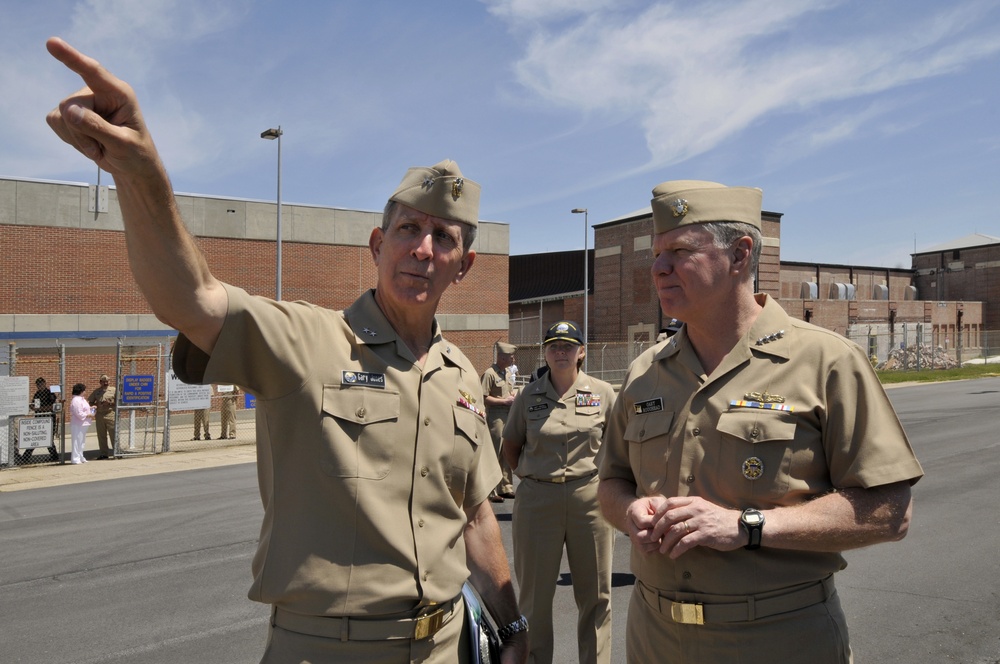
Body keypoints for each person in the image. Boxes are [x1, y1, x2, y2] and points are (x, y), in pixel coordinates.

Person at [45, 37, 527, 664]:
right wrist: (142, 175)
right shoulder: (306, 339)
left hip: (444, 647)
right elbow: (192, 298)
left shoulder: (461, 376)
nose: (423, 249)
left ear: (464, 266)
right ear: (377, 243)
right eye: (408, 229)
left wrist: (513, 630)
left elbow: (474, 516)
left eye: (443, 237)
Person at [597, 180, 924, 663]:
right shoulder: (646, 372)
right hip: (654, 636)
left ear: (740, 254)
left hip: (777, 638)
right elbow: (611, 482)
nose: (658, 268)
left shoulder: (826, 361)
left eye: (680, 250)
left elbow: (891, 510)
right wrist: (628, 512)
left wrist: (747, 525)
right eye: (657, 253)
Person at [502, 321, 616, 664]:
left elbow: (617, 446)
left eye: (568, 346)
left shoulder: (604, 392)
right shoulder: (528, 396)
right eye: (554, 346)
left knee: (596, 597)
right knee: (534, 599)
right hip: (538, 501)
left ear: (582, 352)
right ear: (546, 354)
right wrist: (528, 474)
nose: (561, 351)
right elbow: (511, 445)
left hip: (590, 500)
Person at [481, 341, 518, 502]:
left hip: (508, 415)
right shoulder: (490, 374)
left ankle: (505, 487)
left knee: (506, 452)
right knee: (494, 453)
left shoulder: (507, 374)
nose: (513, 360)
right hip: (496, 417)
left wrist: (514, 396)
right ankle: (490, 491)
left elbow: (508, 391)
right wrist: (504, 402)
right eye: (511, 357)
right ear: (502, 357)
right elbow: (483, 397)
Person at [24, 376, 59, 462]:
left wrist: (39, 409)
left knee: (48, 438)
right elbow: (36, 405)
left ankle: (54, 456)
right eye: (38, 384)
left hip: (49, 418)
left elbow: (52, 407)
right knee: (36, 437)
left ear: (44, 384)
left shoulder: (50, 393)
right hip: (39, 418)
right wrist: (32, 406)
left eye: (41, 384)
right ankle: (25, 457)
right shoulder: (37, 394)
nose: (39, 386)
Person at [88, 374, 116, 458]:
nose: (106, 383)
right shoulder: (97, 392)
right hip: (99, 415)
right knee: (101, 435)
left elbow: (120, 402)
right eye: (104, 381)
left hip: (110, 414)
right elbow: (90, 402)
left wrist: (110, 403)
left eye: (107, 381)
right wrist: (94, 410)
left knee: (113, 434)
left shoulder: (114, 390)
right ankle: (103, 453)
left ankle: (116, 452)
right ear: (100, 382)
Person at [68, 382, 93, 464]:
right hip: (77, 423)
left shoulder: (82, 399)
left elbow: (84, 408)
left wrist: (91, 408)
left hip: (84, 423)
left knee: (81, 441)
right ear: (81, 391)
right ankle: (75, 458)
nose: (85, 392)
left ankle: (80, 456)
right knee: (76, 441)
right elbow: (78, 412)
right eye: (84, 390)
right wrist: (87, 415)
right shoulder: (76, 400)